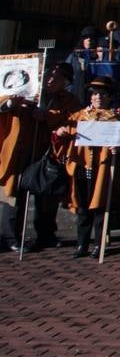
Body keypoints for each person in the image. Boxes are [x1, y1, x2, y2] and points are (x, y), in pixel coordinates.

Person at [51, 76, 120, 258]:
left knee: (101, 207)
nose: (99, 97)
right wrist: (60, 133)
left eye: (103, 94)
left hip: (104, 170)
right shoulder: (79, 116)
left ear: (110, 97)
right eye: (95, 94)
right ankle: (82, 244)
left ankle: (99, 244)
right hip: (83, 167)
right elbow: (62, 138)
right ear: (90, 97)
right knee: (83, 207)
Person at [0, 62, 81, 252]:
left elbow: (74, 120)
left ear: (65, 82)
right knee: (16, 194)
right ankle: (11, 236)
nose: (51, 80)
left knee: (46, 194)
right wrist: (12, 103)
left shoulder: (68, 100)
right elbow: (4, 104)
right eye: (49, 75)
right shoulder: (27, 92)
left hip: (48, 152)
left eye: (57, 77)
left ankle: (46, 234)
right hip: (21, 151)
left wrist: (47, 117)